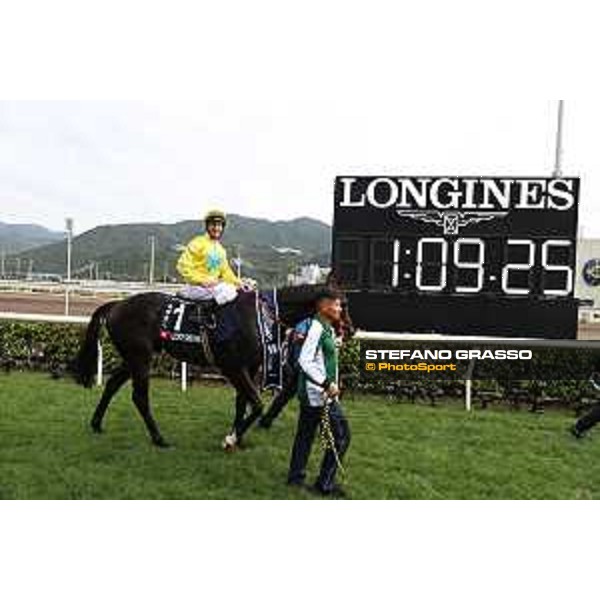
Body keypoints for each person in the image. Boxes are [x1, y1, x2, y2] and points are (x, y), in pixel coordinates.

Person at [287, 290, 351, 497]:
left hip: (315, 393)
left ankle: (295, 478)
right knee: (341, 437)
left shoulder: (325, 327)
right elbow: (304, 361)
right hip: (318, 394)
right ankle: (324, 484)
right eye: (337, 305)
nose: (340, 309)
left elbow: (320, 356)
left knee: (305, 435)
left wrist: (335, 344)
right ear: (324, 306)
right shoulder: (315, 328)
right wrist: (326, 384)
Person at [176, 209, 245, 305]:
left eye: (219, 225)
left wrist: (240, 283)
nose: (216, 228)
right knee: (229, 291)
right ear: (207, 226)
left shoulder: (221, 250)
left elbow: (226, 272)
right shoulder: (197, 242)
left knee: (238, 291)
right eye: (213, 224)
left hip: (213, 289)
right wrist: (201, 281)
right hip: (196, 287)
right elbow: (182, 266)